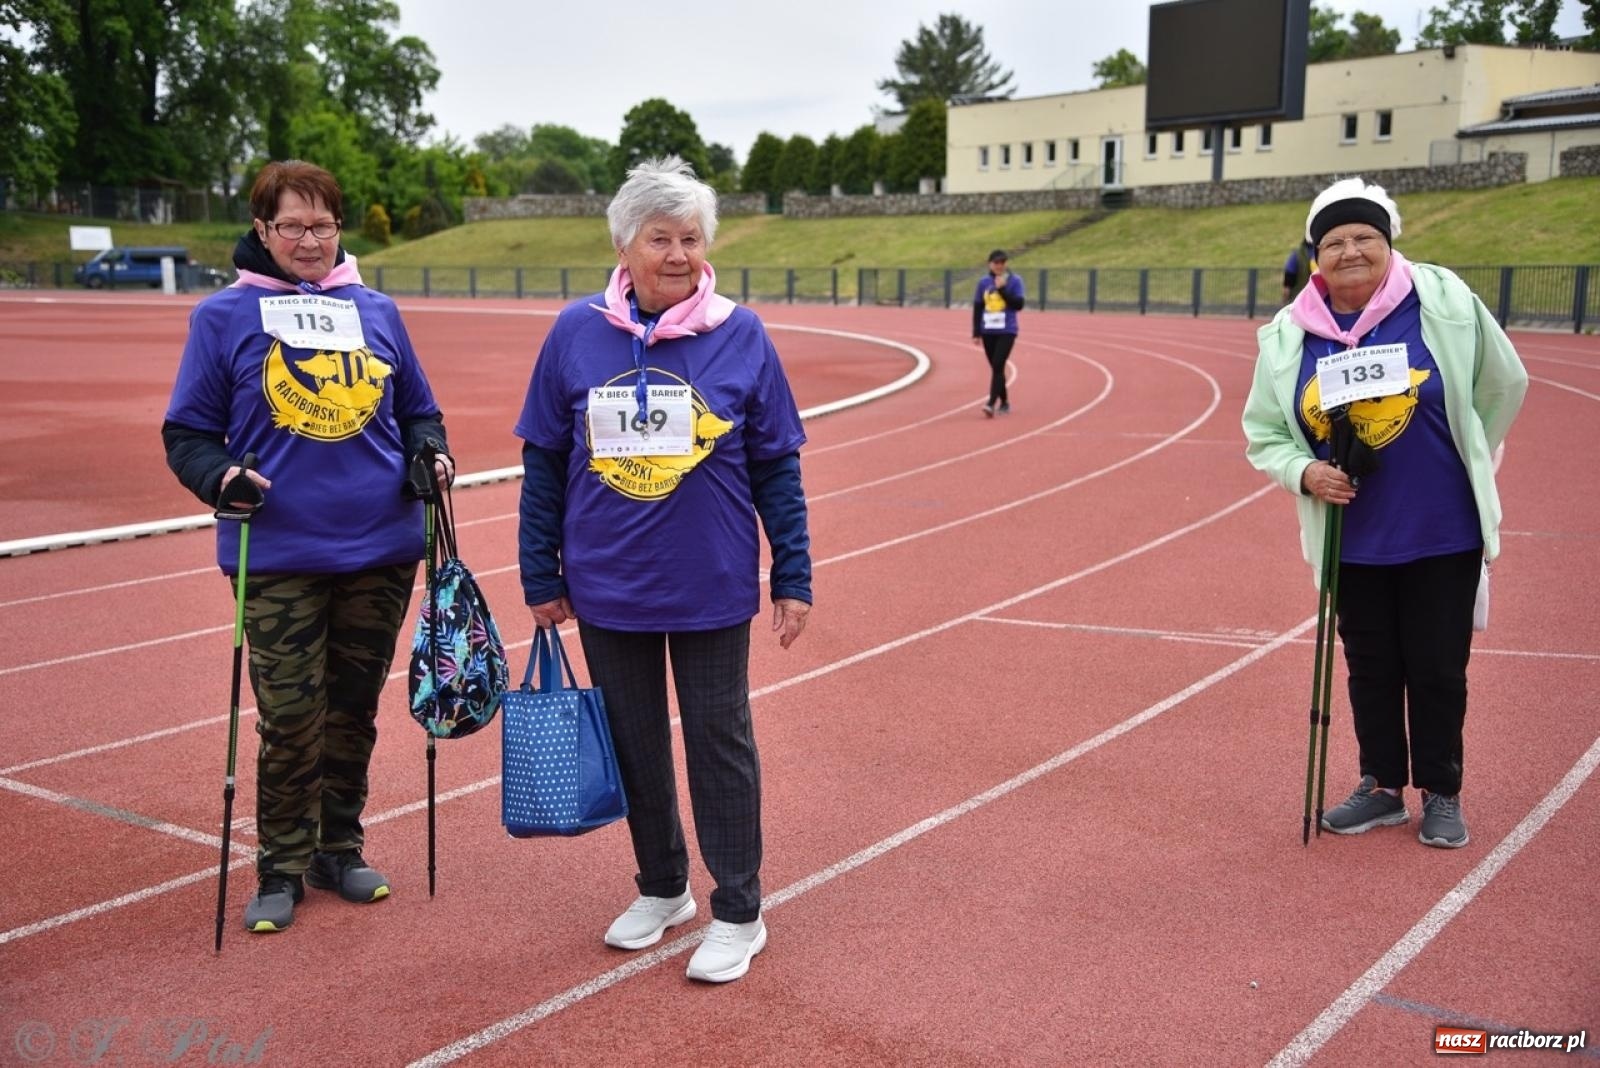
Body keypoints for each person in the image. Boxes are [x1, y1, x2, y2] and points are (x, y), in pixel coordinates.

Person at [515, 156, 813, 983]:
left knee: (721, 742)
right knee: (635, 741)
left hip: (711, 580)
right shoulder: (575, 334)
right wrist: (540, 573)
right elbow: (543, 460)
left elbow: (776, 465)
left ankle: (740, 910)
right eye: (661, 238)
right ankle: (663, 886)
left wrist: (793, 572)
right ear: (624, 245)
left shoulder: (740, 333)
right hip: (607, 583)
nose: (678, 254)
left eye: (691, 237)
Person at [163, 159, 454, 932]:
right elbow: (187, 433)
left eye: (322, 225)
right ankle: (282, 865)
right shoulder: (223, 318)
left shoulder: (377, 311)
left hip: (381, 549)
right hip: (279, 552)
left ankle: (338, 848)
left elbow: (421, 412)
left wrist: (431, 455)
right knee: (291, 716)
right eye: (291, 225)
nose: (309, 240)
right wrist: (219, 477)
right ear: (261, 231)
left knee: (353, 711)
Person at [1242, 177, 1527, 849]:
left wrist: (1470, 450)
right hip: (1354, 536)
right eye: (1334, 242)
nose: (1350, 252)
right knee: (1370, 666)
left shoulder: (1443, 301)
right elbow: (1264, 434)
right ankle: (1380, 786)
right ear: (1316, 258)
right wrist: (1303, 471)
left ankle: (1441, 790)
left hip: (1441, 527)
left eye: (1365, 237)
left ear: (1388, 244)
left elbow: (1503, 383)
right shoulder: (1288, 335)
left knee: (1435, 667)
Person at [972, 248, 1025, 416]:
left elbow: (1018, 305)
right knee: (997, 368)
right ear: (990, 264)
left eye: (1002, 262)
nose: (999, 266)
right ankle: (1005, 402)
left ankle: (990, 403)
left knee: (998, 364)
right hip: (988, 331)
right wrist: (976, 332)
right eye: (996, 263)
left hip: (1007, 330)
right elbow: (978, 307)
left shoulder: (1015, 280)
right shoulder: (983, 283)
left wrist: (1002, 290)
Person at [1282, 238, 1316, 304]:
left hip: (1297, 302)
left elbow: (1288, 283)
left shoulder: (1296, 255)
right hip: (1318, 304)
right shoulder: (1323, 253)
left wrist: (1284, 301)